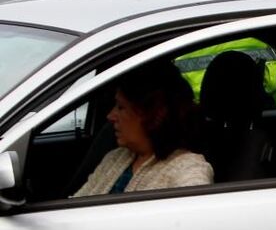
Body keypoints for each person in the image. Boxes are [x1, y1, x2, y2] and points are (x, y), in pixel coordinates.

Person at [72, 61, 213, 197]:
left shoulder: (188, 169)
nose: (110, 116)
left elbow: (192, 216)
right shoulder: (115, 158)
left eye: (121, 107)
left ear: (154, 114)